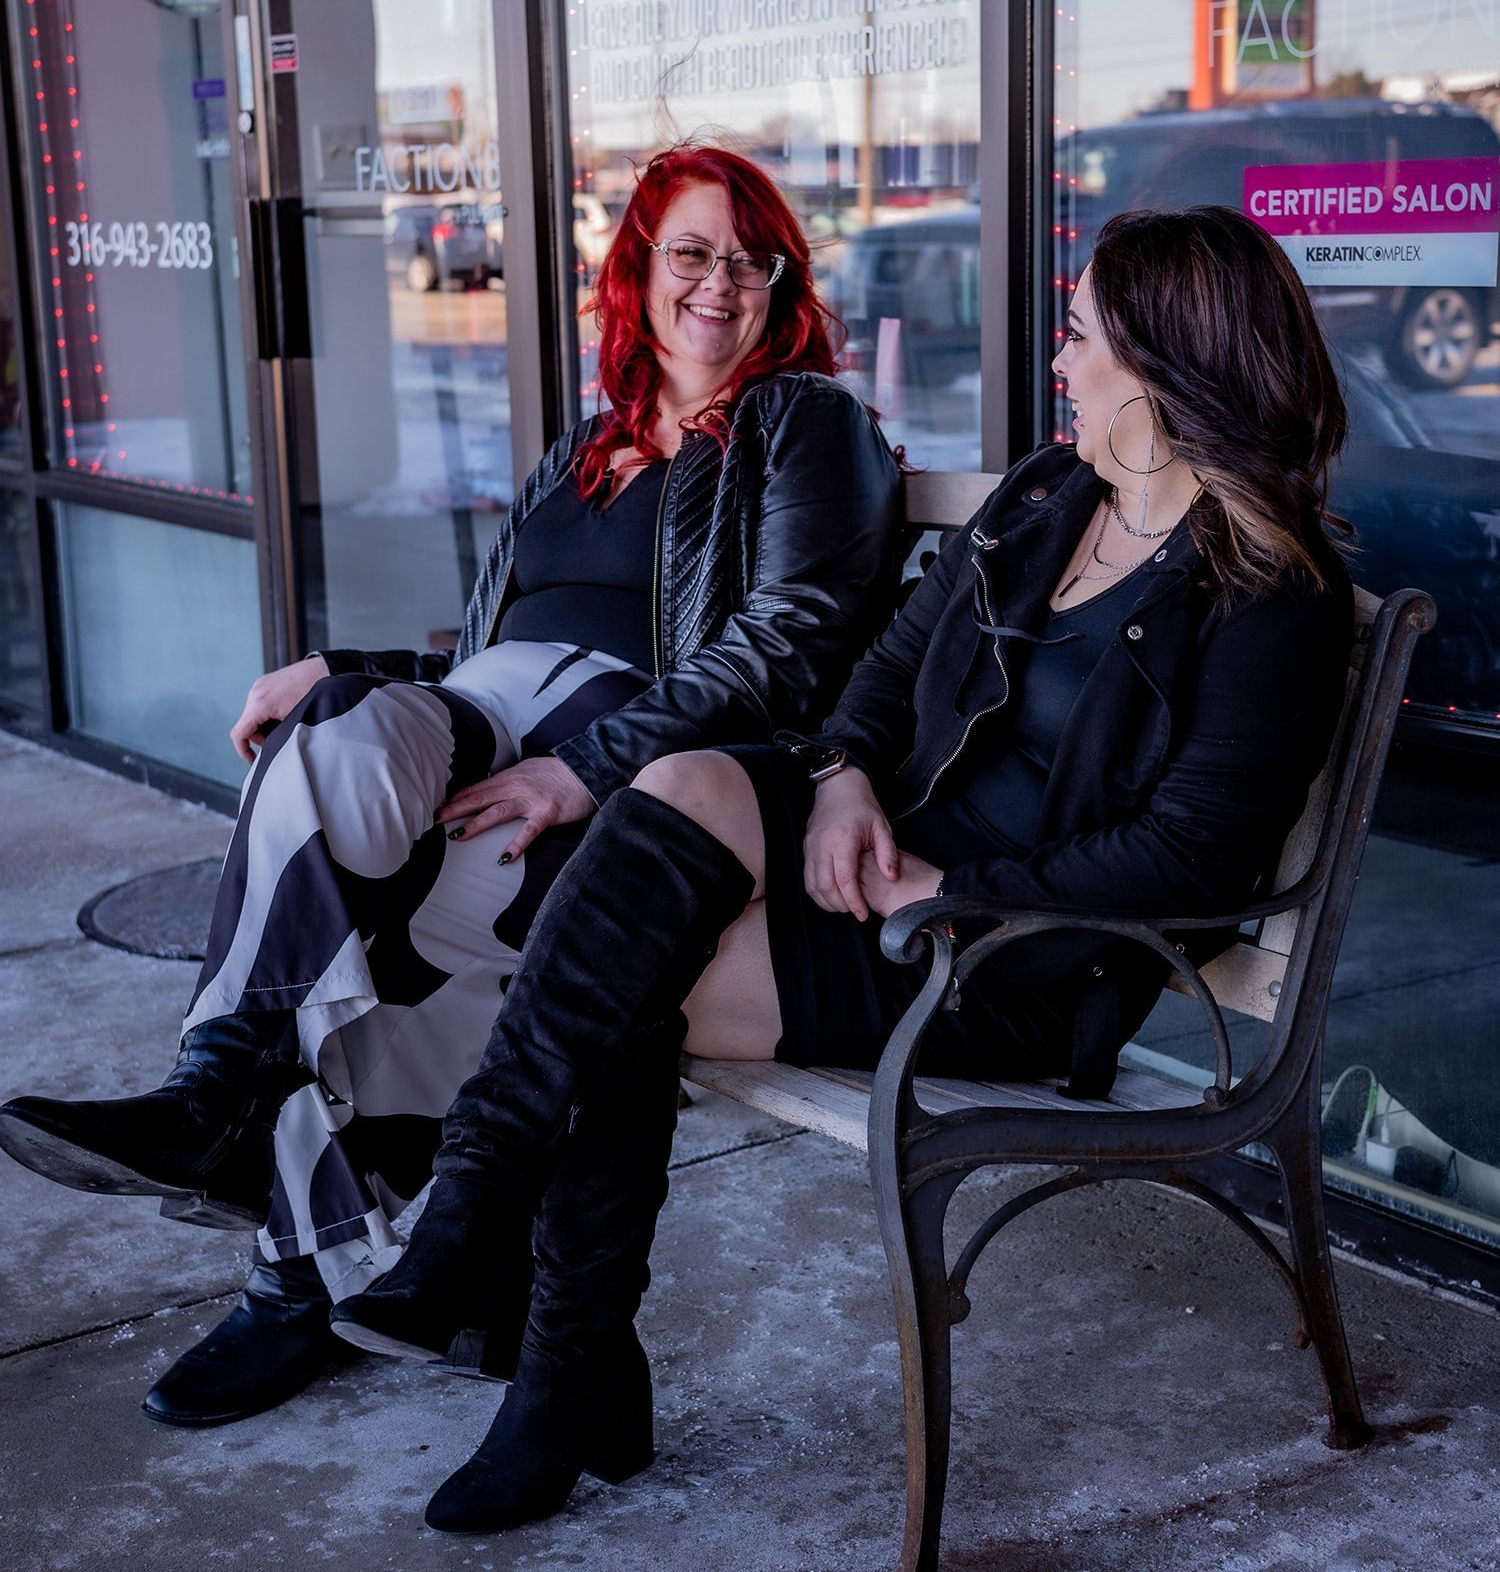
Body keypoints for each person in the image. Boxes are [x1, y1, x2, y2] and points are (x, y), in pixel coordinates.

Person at [321, 203, 1355, 1535]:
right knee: (675, 784)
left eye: (1080, 332)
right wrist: (844, 779)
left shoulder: (1267, 590)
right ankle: (488, 1227)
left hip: (1015, 951)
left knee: (622, 979)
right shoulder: (1053, 497)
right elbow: (881, 671)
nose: (1057, 358)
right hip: (880, 867)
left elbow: (1190, 855)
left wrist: (949, 897)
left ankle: (557, 1353)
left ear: (1162, 364)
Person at [0, 143, 901, 1428]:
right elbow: (478, 648)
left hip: (630, 745)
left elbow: (793, 634)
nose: (720, 283)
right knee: (326, 746)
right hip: (486, 715)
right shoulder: (583, 448)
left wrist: (584, 770)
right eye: (691, 252)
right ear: (636, 269)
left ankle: (288, 1273)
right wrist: (337, 663)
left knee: (408, 915)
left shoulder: (802, 421)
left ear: (782, 285)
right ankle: (213, 1084)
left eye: (750, 260)